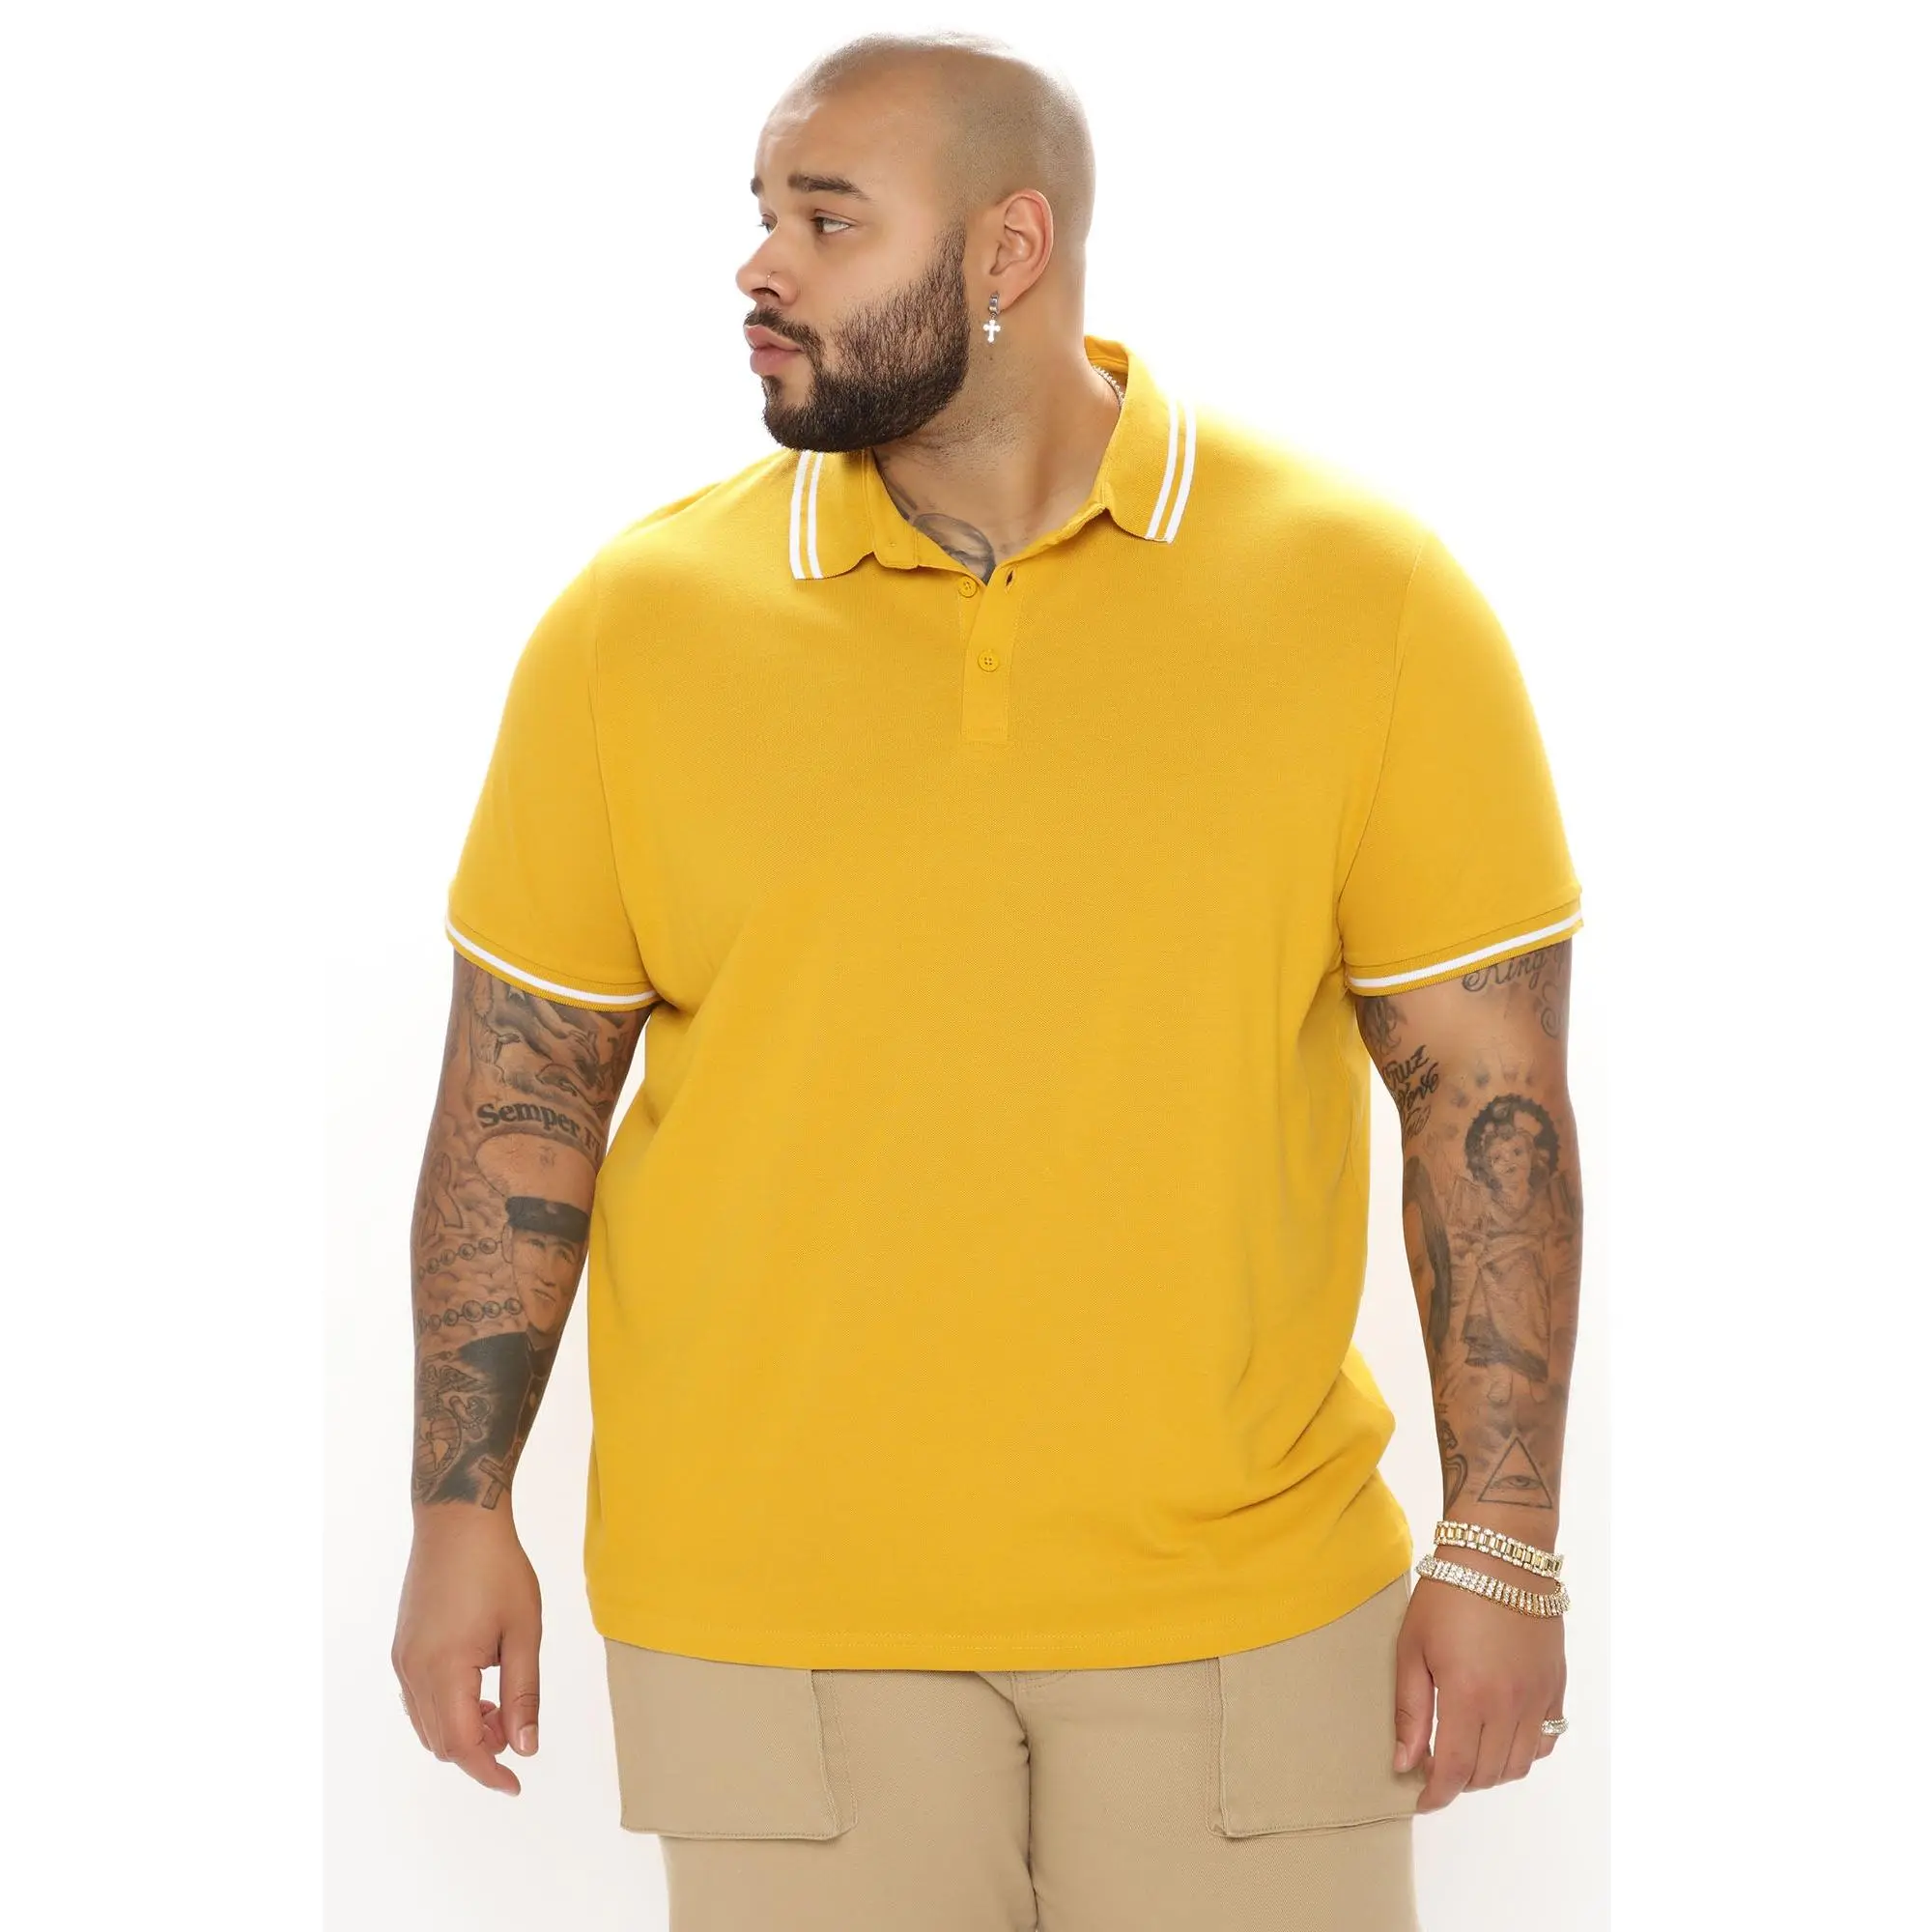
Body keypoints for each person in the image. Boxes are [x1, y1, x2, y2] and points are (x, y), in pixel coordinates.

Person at [391, 29, 1586, 1931]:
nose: (759, 267)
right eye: (761, 215)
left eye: (828, 222)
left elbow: (1486, 1097)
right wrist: (461, 1507)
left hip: (1248, 1598)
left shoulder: (1364, 599)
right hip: (772, 1607)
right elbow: (518, 1098)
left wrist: (1502, 1539)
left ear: (1009, 251)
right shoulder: (636, 627)